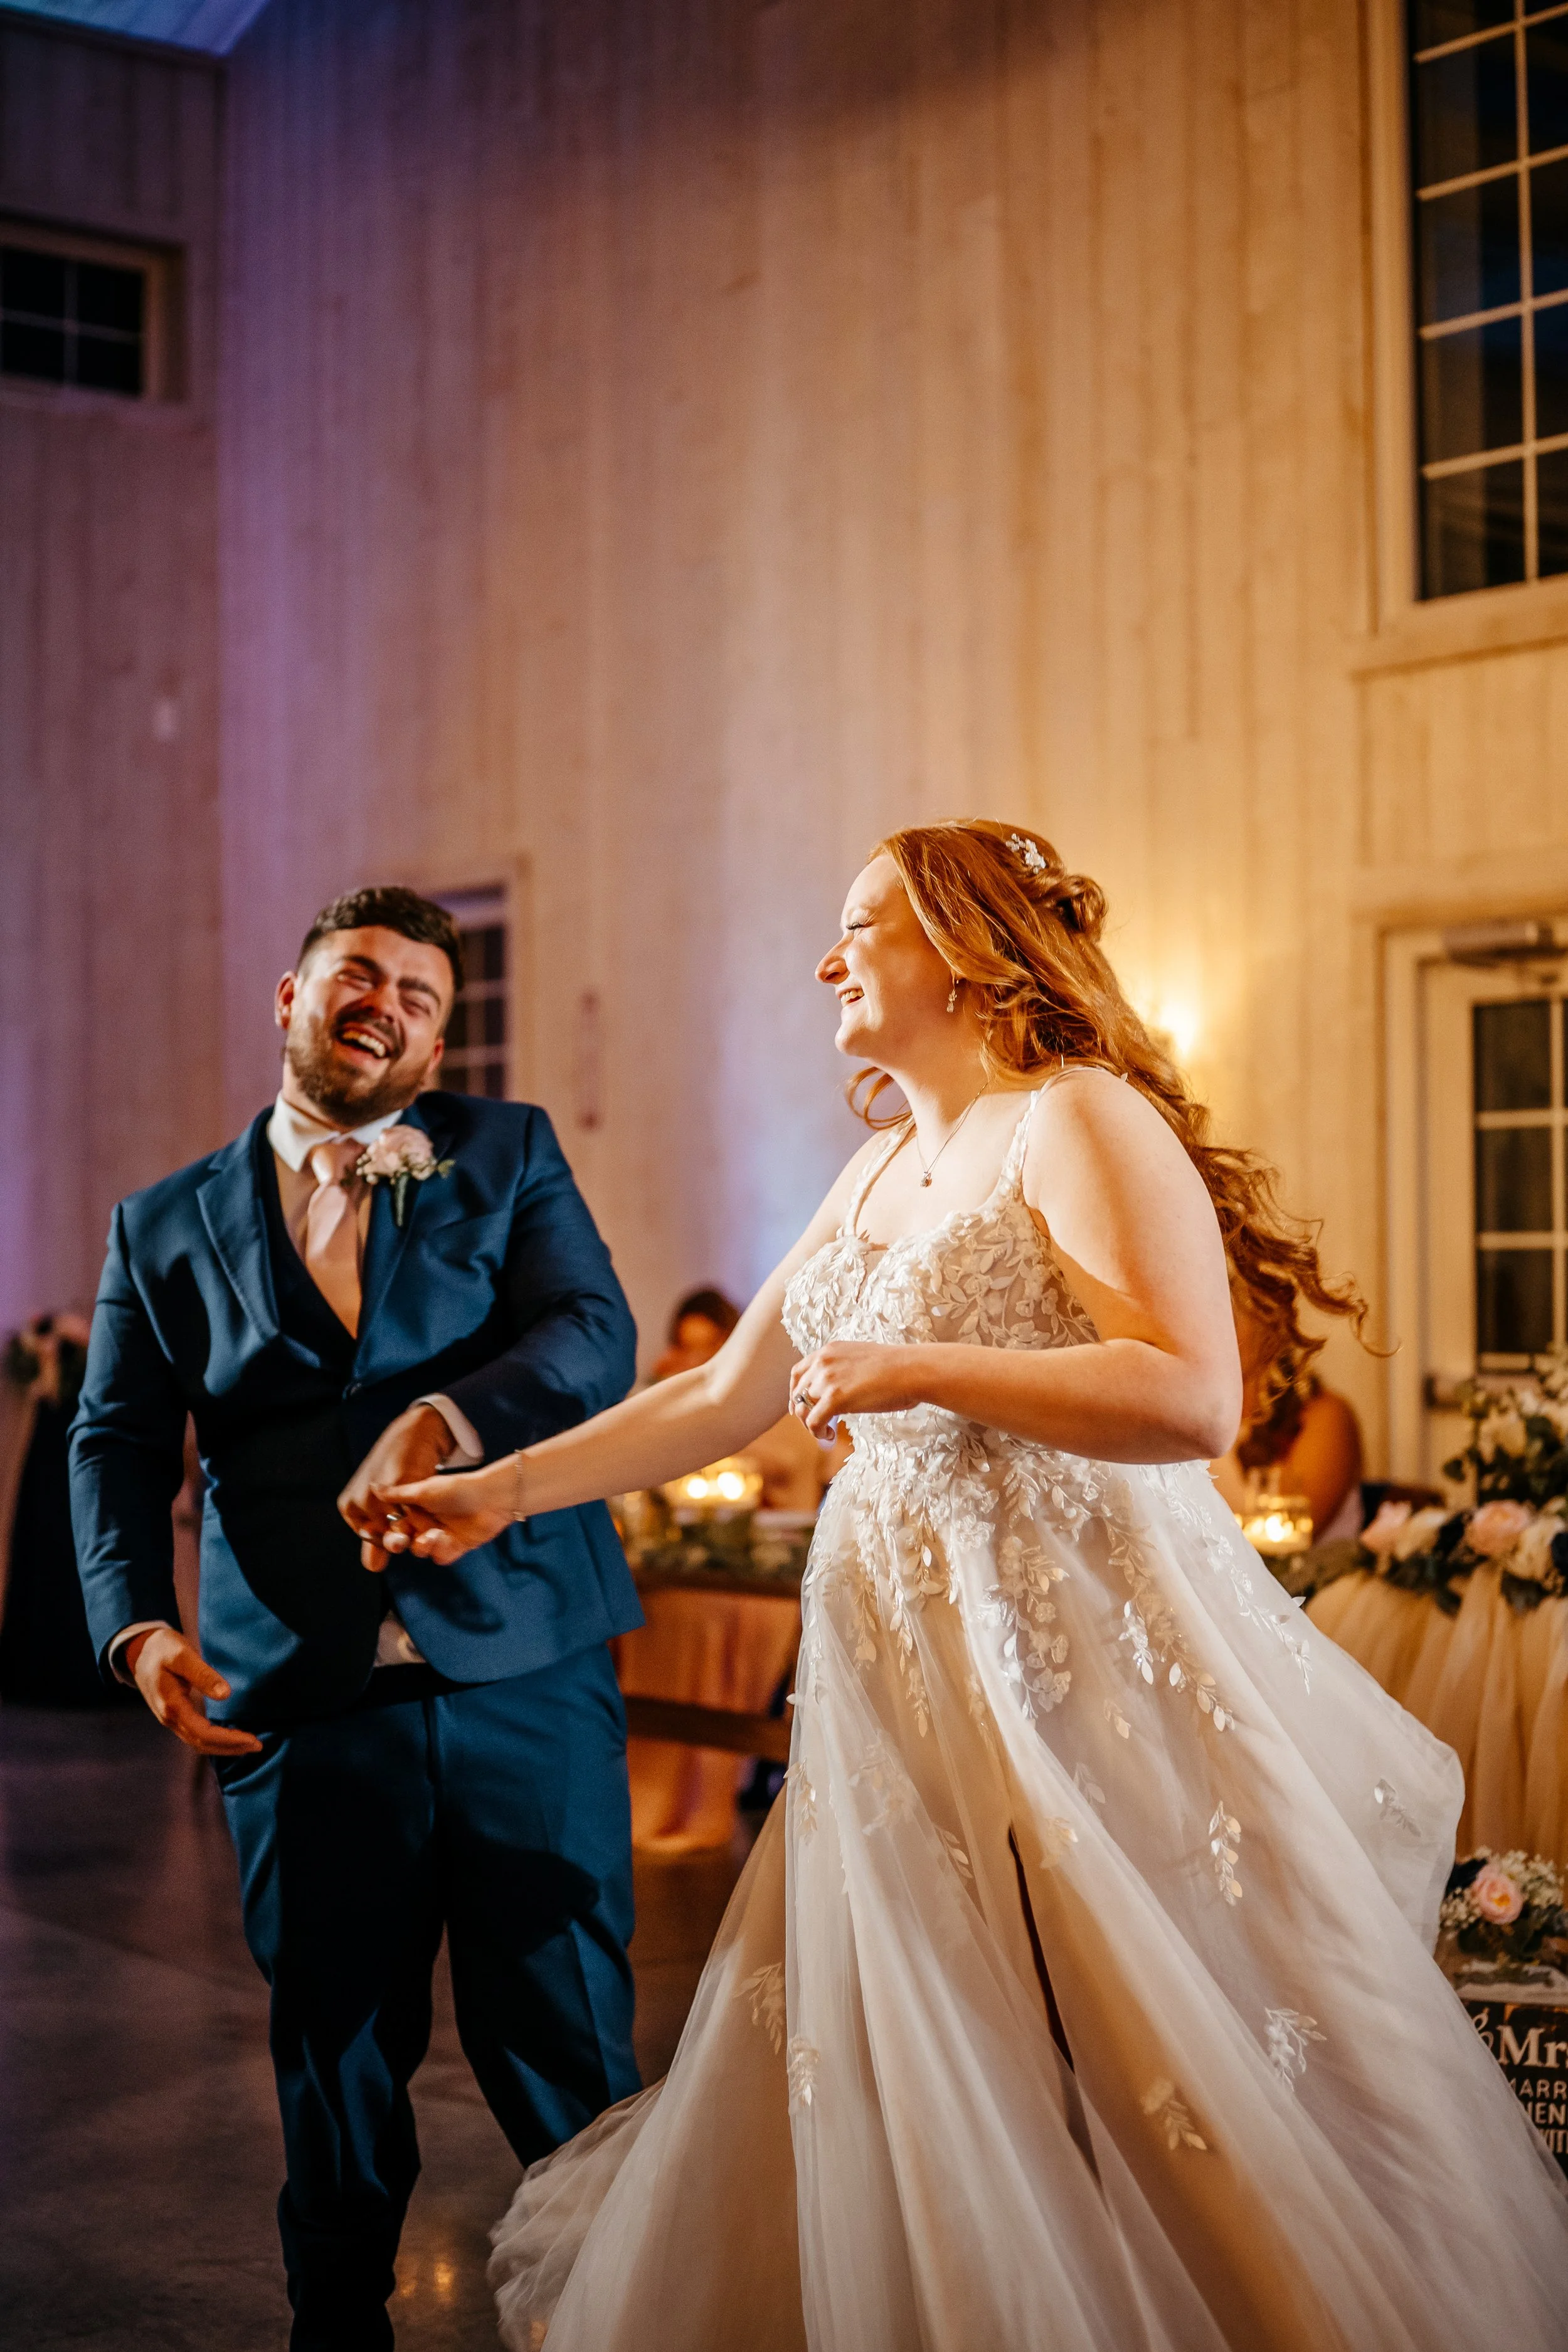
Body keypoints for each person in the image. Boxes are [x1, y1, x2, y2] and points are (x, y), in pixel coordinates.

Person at [369, 824, 1568, 2352]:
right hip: (892, 1676)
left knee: (1134, 2019)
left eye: (860, 921)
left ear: (966, 940)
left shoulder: (1077, 1117)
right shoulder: (876, 1164)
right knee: (923, 2026)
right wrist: (500, 1488)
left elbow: (1192, 1396)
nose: (828, 956)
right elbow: (727, 1393)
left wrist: (921, 1364)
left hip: (1065, 1662)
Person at [68, 886, 642, 2352]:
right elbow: (119, 1442)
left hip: (523, 1659)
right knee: (331, 2049)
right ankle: (337, 2322)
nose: (387, 1001)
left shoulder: (505, 1151)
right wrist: (136, 1627)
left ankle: (620, 2305)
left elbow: (589, 1332)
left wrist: (452, 1416)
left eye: (422, 993)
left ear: (442, 1034)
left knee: (568, 2035)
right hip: (302, 1696)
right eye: (359, 974)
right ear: (292, 993)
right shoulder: (162, 1222)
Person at [1209, 1301, 1365, 1544]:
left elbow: (1293, 1544)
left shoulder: (1325, 1416)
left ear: (1271, 1325)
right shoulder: (1188, 1418)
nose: (1212, 1330)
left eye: (1228, 1316)